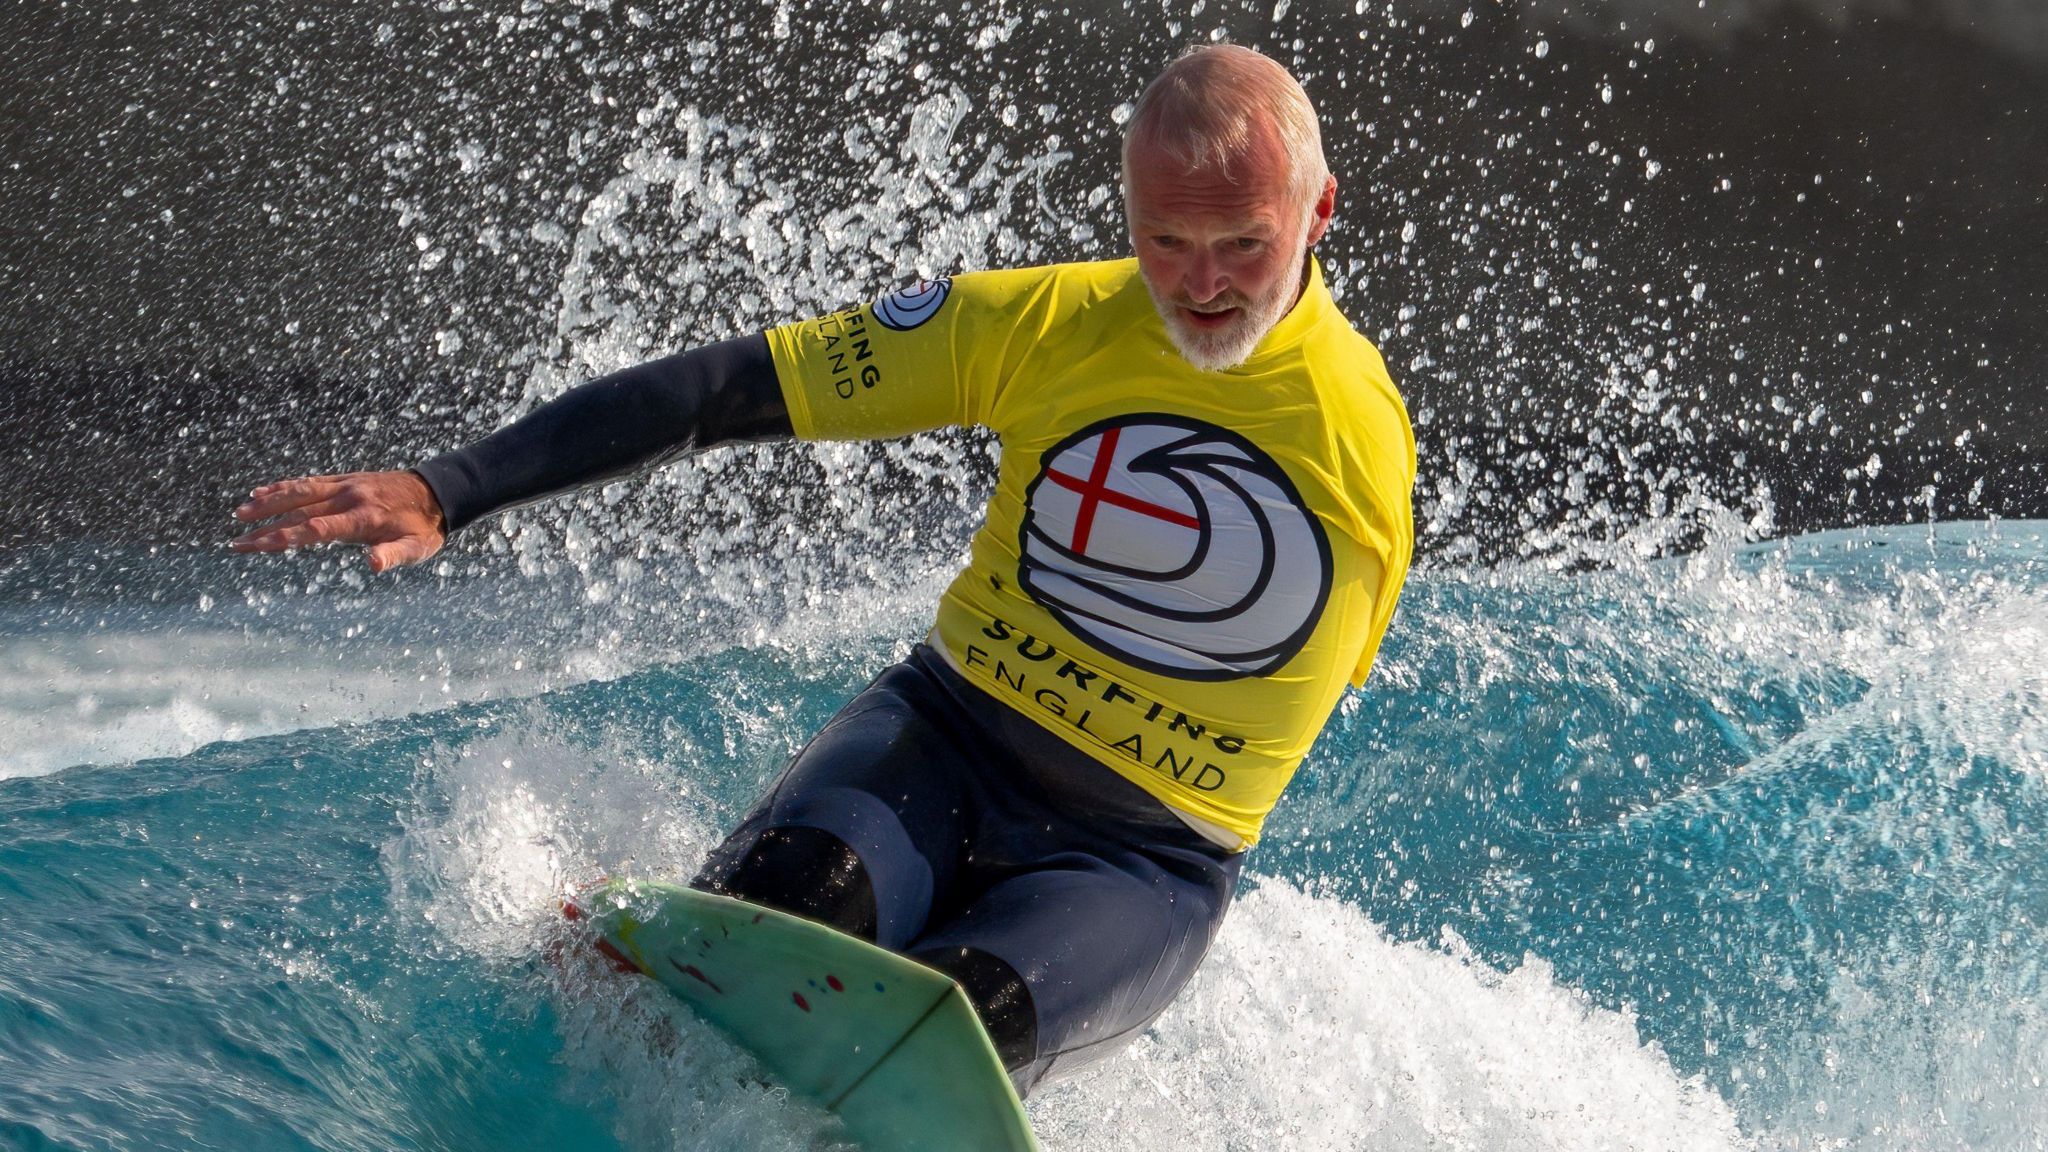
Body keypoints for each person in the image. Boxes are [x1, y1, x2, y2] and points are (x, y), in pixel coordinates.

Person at [231, 44, 1415, 1095]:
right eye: (1165, 240)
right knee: (788, 909)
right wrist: (452, 487)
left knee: (961, 1020)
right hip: (945, 740)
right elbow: (724, 391)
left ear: (1317, 214)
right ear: (1125, 215)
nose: (1201, 285)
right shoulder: (1041, 326)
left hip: (1139, 856)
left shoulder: (1358, 443)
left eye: (1241, 245)